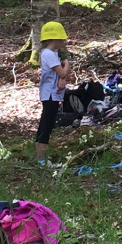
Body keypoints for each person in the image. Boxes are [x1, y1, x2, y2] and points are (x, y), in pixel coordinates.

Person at [36, 21, 73, 166]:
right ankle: (42, 160)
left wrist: (62, 78)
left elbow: (59, 75)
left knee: (45, 124)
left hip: (50, 94)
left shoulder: (51, 54)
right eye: (61, 39)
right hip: (50, 95)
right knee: (46, 126)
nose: (63, 42)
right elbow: (62, 71)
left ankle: (41, 158)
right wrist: (67, 63)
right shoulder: (49, 54)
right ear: (55, 39)